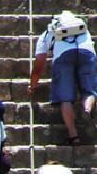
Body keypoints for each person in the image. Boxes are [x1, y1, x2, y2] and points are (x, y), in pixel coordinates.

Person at [29, 11, 97, 146]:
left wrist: (32, 85)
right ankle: (87, 109)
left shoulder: (48, 32)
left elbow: (39, 63)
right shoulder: (81, 27)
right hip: (87, 51)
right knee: (89, 91)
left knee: (65, 98)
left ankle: (73, 135)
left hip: (63, 56)